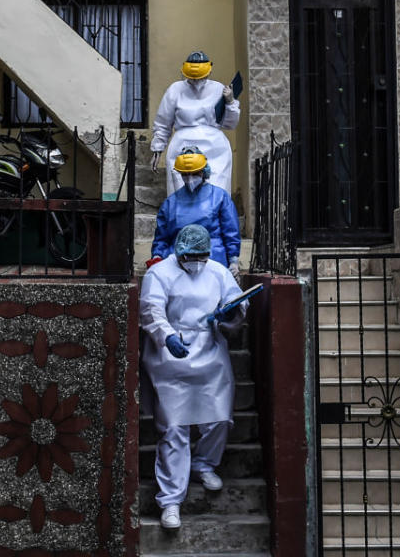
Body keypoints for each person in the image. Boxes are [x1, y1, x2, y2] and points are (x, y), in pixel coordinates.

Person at [139, 224, 248, 530]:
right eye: (192, 256)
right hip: (170, 357)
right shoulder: (158, 274)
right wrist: (167, 336)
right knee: (174, 428)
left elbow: (238, 302)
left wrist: (232, 313)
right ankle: (171, 500)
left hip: (210, 353)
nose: (197, 261)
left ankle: (204, 463)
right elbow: (150, 310)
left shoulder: (217, 271)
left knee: (219, 417)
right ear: (179, 252)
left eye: (202, 255)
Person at [151, 51, 240, 196]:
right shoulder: (175, 90)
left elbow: (230, 124)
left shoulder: (219, 89)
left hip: (215, 148)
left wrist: (230, 102)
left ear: (209, 72)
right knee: (182, 191)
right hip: (182, 146)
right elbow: (163, 122)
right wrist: (157, 148)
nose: (196, 82)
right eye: (193, 79)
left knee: (217, 191)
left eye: (200, 78)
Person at [148, 146, 241, 279]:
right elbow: (162, 237)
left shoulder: (220, 197)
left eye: (195, 173)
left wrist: (233, 260)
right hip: (178, 265)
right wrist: (157, 256)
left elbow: (230, 231)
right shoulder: (170, 203)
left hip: (213, 262)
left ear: (204, 171)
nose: (190, 178)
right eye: (185, 174)